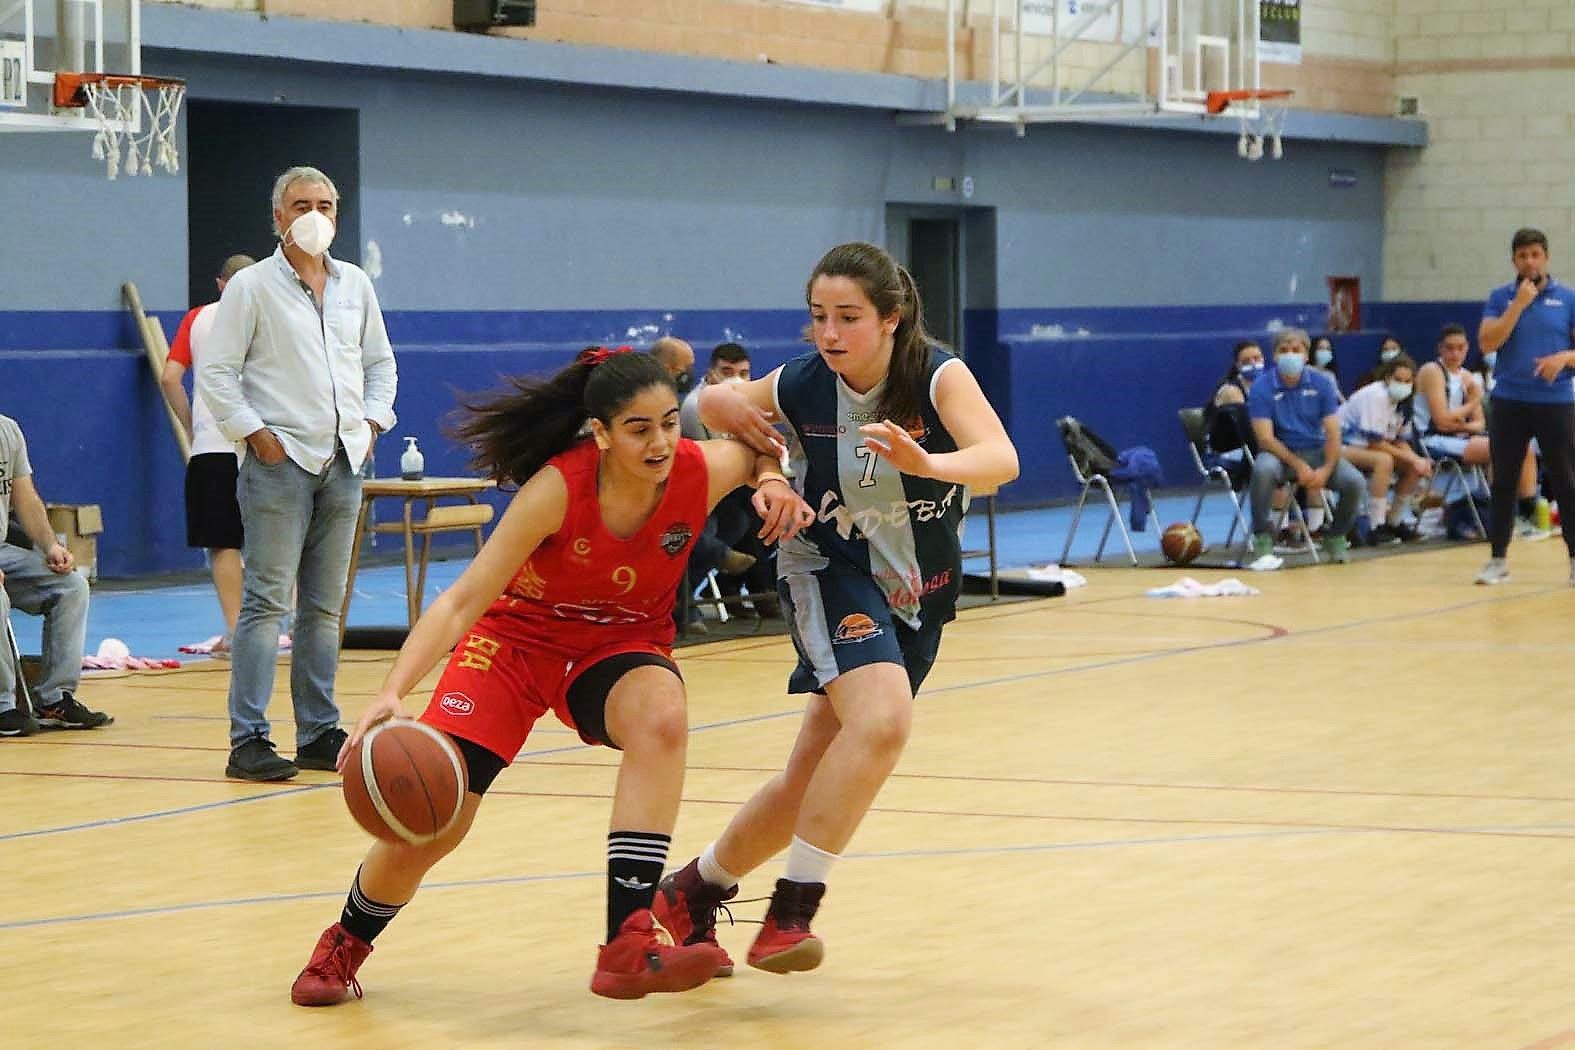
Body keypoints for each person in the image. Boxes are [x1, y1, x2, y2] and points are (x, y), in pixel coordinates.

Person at [287, 349, 815, 1005]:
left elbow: (757, 446)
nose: (658, 442)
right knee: (438, 816)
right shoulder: (558, 489)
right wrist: (394, 690)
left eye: (666, 424)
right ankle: (343, 942)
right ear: (600, 433)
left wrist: (772, 479)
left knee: (662, 716)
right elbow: (459, 600)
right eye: (637, 428)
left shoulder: (695, 470)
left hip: (616, 646)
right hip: (516, 644)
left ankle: (626, 941)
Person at [651, 242, 1019, 976]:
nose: (829, 333)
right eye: (818, 316)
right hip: (829, 565)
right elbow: (706, 404)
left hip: (917, 586)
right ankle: (790, 914)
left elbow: (1000, 459)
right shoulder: (806, 382)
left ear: (891, 318)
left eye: (847, 317)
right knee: (882, 722)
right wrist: (764, 463)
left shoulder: (935, 375)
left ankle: (693, 889)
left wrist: (927, 464)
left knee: (810, 779)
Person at [198, 166, 398, 780]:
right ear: (278, 216)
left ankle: (317, 730)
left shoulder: (355, 284)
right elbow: (217, 374)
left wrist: (371, 425)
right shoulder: (252, 287)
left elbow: (380, 365)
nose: (314, 213)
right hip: (277, 463)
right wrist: (255, 435)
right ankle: (248, 740)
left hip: (343, 462)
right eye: (300, 203)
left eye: (325, 203)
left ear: (337, 214)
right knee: (264, 602)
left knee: (323, 607)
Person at [160, 253, 256, 655]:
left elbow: (169, 378)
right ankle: (299, 628)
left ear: (221, 284)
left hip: (211, 447)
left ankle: (236, 633)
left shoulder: (197, 318)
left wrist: (191, 423)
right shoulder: (273, 312)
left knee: (223, 542)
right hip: (263, 443)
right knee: (283, 540)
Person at [0, 415, 112, 737]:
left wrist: (50, 545)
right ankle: (3, 706)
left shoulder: (8, 431)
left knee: (71, 586)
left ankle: (54, 699)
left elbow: (25, 497)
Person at [1474, 227, 1575, 585]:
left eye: (1535, 254)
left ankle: (1574, 560)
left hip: (1556, 402)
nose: (1529, 261)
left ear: (1546, 257)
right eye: (1522, 255)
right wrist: (1518, 304)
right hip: (1509, 401)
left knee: (1566, 480)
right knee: (1504, 480)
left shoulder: (1568, 299)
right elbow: (1487, 342)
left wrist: (1564, 358)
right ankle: (1498, 559)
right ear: (1514, 260)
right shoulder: (1501, 297)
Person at [1245, 328, 1366, 564]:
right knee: (1262, 471)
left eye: (1296, 350)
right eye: (1284, 350)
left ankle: (1335, 535)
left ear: (1306, 355)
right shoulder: (1261, 387)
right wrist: (1298, 465)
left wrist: (1327, 469)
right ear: (1275, 356)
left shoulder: (1321, 383)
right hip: (1279, 453)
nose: (1290, 354)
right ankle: (1262, 535)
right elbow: (1266, 439)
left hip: (1317, 451)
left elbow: (1333, 432)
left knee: (1355, 482)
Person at [680, 342, 778, 620]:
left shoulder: (751, 402)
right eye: (727, 371)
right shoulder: (695, 407)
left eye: (744, 373)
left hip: (732, 490)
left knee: (760, 513)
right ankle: (750, 587)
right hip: (698, 493)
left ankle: (742, 588)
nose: (736, 379)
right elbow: (706, 464)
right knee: (746, 517)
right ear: (711, 374)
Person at [1414, 323, 1538, 539]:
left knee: (1523, 446)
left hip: (1461, 438)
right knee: (1500, 449)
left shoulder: (1467, 376)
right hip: (1432, 440)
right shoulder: (1432, 371)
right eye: (1449, 348)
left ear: (1467, 348)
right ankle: (1498, 515)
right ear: (1440, 349)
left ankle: (1526, 512)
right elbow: (1441, 421)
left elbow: (1479, 424)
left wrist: (1460, 422)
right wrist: (1472, 402)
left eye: (1460, 348)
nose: (1455, 353)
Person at [1337, 353, 1431, 544]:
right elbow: (1375, 443)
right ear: (1387, 377)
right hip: (1340, 445)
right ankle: (1376, 525)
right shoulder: (1376, 396)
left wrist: (1417, 460)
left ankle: (1394, 522)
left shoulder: (1406, 402)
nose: (1402, 384)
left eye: (1407, 380)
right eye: (1398, 379)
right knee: (1384, 461)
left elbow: (1400, 441)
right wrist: (1413, 458)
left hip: (1367, 447)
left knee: (1413, 467)